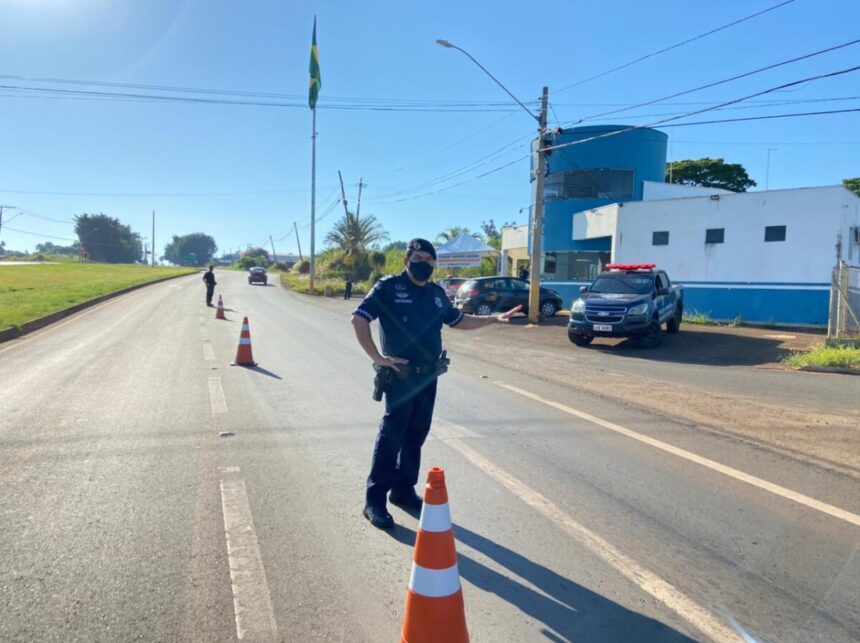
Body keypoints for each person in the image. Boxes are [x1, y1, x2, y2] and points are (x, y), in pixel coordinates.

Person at [351, 238, 521, 529]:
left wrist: (494, 318)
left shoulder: (436, 293)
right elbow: (359, 319)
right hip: (401, 377)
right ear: (406, 260)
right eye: (418, 257)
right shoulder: (389, 287)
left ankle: (403, 491)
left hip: (429, 376)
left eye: (430, 259)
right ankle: (374, 501)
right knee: (392, 435)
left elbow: (458, 321)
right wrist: (379, 358)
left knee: (416, 436)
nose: (424, 263)